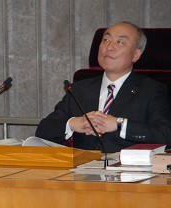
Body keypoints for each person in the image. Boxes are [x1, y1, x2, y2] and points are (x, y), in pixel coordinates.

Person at [36, 21, 171, 152]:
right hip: (82, 170)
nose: (109, 47)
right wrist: (74, 123)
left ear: (136, 54)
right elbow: (44, 130)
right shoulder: (79, 89)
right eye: (106, 40)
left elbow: (165, 134)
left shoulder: (152, 90)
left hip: (129, 170)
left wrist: (120, 124)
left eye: (120, 42)